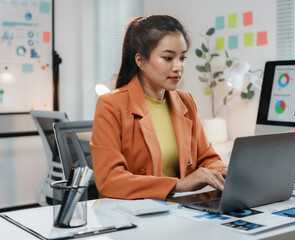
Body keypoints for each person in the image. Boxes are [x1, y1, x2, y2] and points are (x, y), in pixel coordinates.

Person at [90, 15, 227, 200]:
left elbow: (207, 158)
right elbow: (110, 180)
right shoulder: (110, 105)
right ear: (141, 61)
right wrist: (177, 185)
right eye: (168, 58)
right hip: (133, 213)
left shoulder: (186, 101)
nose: (178, 67)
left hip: (179, 210)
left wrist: (223, 173)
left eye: (183, 58)